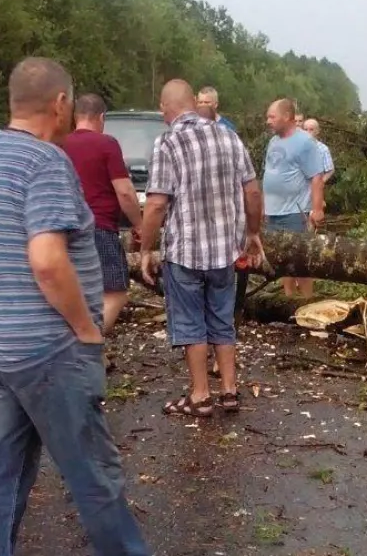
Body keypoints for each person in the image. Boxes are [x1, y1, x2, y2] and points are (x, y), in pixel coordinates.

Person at [0, 58, 149, 556]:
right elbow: (46, 259)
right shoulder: (45, 162)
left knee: (4, 468)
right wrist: (85, 327)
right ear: (61, 103)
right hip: (48, 352)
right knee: (93, 474)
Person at [140, 79, 264, 418]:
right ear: (193, 102)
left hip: (186, 253)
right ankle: (229, 390)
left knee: (191, 322)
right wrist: (253, 233)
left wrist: (146, 248)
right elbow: (252, 191)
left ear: (166, 108)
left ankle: (200, 395)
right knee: (222, 319)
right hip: (226, 251)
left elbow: (155, 205)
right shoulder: (228, 136)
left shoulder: (168, 141)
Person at [62, 94, 143, 350]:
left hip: (62, 230)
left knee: (76, 293)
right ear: (101, 117)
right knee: (116, 293)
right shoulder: (106, 144)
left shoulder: (59, 143)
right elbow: (126, 192)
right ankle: (86, 342)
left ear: (75, 116)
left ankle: (79, 346)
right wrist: (139, 225)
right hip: (99, 228)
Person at [262, 98, 326, 298]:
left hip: (294, 211)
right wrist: (263, 206)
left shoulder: (305, 142)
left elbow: (316, 177)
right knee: (281, 260)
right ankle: (288, 299)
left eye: (272, 117)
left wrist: (317, 210)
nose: (268, 121)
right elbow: (269, 174)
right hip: (273, 211)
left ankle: (306, 300)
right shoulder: (273, 141)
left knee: (300, 259)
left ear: (287, 116)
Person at [302, 118, 334, 183]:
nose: (308, 132)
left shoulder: (323, 149)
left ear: (317, 131)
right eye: (305, 129)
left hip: (313, 187)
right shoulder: (296, 146)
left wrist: (320, 183)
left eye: (311, 129)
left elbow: (330, 170)